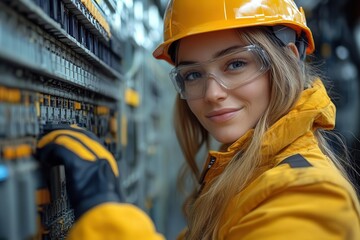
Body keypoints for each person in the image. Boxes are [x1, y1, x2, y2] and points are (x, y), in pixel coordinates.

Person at [35, 0, 360, 239]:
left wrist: (103, 207)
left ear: (288, 58)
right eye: (192, 74)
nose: (212, 93)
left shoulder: (310, 198)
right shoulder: (246, 176)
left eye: (235, 64)